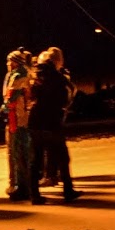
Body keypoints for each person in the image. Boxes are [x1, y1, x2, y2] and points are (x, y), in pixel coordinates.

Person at [28, 50, 79, 203]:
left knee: (35, 159)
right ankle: (68, 191)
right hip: (52, 121)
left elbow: (30, 96)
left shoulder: (34, 76)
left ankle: (34, 195)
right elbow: (67, 95)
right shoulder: (59, 78)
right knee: (62, 157)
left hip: (35, 121)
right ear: (56, 62)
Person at [3, 50, 32, 200]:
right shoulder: (26, 73)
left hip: (19, 119)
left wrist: (4, 107)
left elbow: (11, 96)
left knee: (19, 153)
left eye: (9, 61)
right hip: (22, 118)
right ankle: (23, 185)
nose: (8, 64)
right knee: (22, 153)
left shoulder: (18, 75)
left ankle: (23, 187)